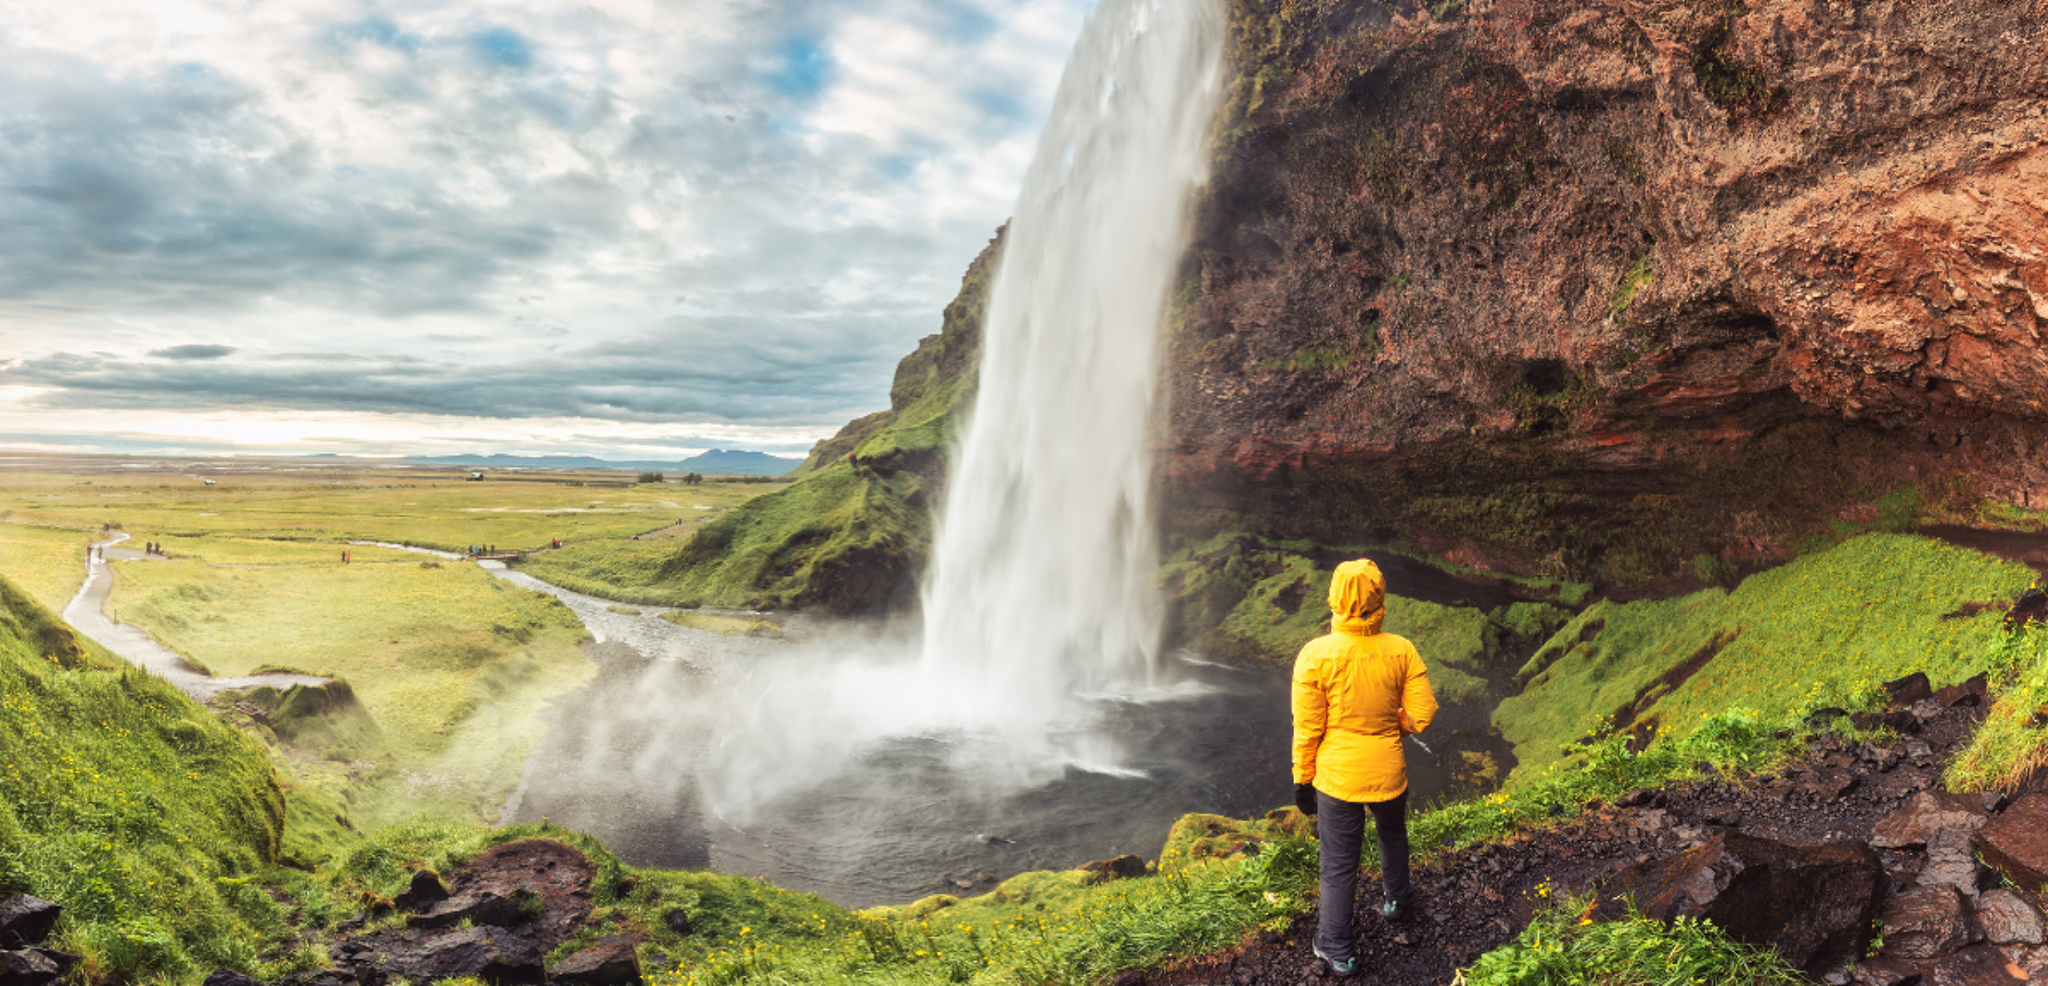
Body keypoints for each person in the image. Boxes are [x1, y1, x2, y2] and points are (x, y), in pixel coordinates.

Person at [1291, 558, 1438, 978]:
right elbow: (1422, 713)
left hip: (1336, 779)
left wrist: (1303, 779)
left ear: (1334, 599)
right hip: (1389, 771)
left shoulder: (1316, 655)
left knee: (1338, 863)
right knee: (1393, 833)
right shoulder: (1401, 649)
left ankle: (1337, 949)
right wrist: (1391, 726)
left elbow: (1308, 729)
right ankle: (1398, 900)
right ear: (1379, 597)